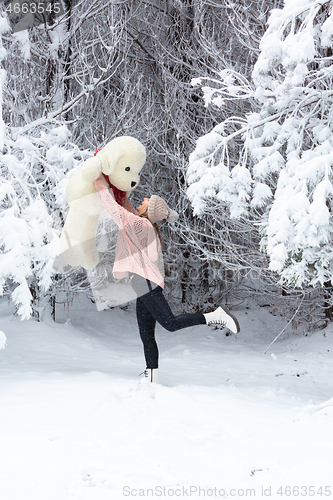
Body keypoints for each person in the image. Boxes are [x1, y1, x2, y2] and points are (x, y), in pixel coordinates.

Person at [94, 173, 240, 383]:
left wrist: (97, 180)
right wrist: (114, 182)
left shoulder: (140, 226)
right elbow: (123, 202)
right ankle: (151, 376)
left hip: (145, 282)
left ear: (148, 211)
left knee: (170, 324)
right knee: (146, 333)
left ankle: (214, 316)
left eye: (146, 202)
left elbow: (114, 208)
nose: (142, 200)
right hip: (142, 283)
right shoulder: (140, 224)